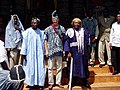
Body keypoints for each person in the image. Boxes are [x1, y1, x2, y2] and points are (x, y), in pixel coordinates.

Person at [20, 17, 47, 89]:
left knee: (40, 68)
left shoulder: (41, 32)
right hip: (30, 54)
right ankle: (31, 83)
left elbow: (44, 43)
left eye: (36, 23)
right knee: (30, 68)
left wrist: (45, 53)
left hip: (39, 54)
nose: (34, 24)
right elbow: (24, 44)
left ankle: (39, 83)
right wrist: (24, 54)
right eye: (33, 23)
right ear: (31, 23)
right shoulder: (27, 32)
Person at [64, 18, 90, 88]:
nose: (76, 24)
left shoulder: (84, 31)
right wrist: (68, 51)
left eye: (78, 23)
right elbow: (66, 42)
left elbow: (87, 42)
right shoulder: (69, 31)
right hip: (73, 52)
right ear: (73, 23)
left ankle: (84, 81)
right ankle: (72, 82)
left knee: (83, 67)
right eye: (75, 23)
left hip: (82, 53)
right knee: (73, 68)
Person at [44, 10, 66, 89]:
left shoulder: (62, 28)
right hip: (51, 51)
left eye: (56, 19)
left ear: (58, 20)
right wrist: (46, 50)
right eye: (53, 19)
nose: (55, 21)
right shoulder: (48, 29)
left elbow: (64, 40)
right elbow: (45, 40)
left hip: (59, 50)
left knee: (59, 67)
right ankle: (50, 83)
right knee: (50, 68)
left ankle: (58, 82)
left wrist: (64, 50)